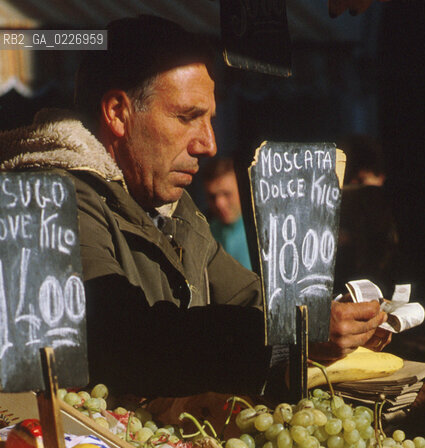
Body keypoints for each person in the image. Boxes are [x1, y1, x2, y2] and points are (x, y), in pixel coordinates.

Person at [0, 15, 385, 398]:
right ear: (118, 112)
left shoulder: (172, 208)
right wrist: (293, 336)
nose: (208, 144)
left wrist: (337, 318)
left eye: (210, 120)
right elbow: (124, 339)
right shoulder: (48, 202)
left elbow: (248, 297)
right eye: (187, 117)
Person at [334, 134, 398, 296]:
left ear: (381, 178)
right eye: (351, 182)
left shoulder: (390, 216)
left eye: (362, 181)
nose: (356, 191)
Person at [202, 156, 252, 270]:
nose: (220, 203)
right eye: (212, 196)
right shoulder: (206, 233)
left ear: (242, 189)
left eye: (227, 194)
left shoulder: (262, 229)